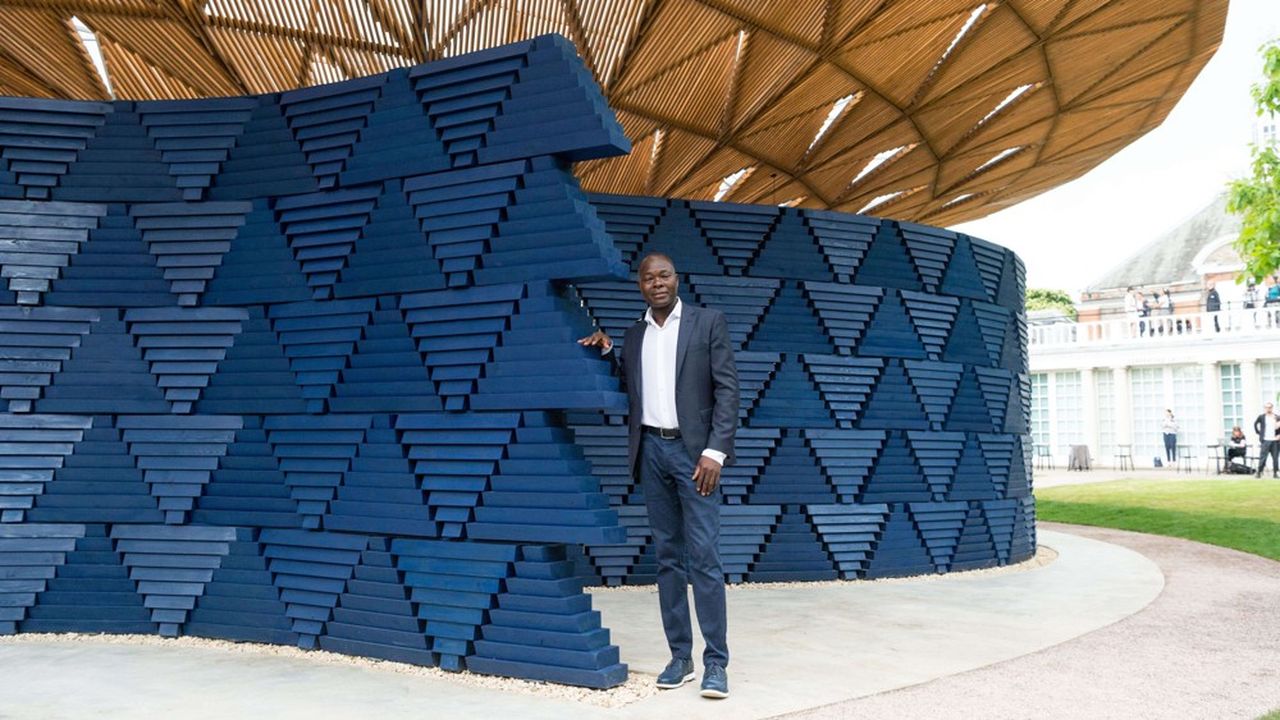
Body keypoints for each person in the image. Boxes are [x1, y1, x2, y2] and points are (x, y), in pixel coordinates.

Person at [577, 252, 738, 699]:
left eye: (664, 274)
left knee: (704, 557)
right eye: (649, 278)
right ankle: (680, 657)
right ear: (641, 286)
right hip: (651, 450)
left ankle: (716, 663)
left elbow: (728, 390)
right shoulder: (634, 334)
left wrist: (715, 452)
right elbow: (630, 381)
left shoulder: (708, 323)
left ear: (676, 277)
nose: (657, 282)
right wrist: (607, 349)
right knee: (668, 558)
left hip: (696, 457)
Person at [1255, 401, 1280, 478]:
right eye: (1266, 407)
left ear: (1272, 408)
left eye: (1270, 407)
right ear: (1264, 408)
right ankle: (1259, 472)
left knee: (1275, 458)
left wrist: (1279, 435)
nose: (1268, 409)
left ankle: (1275, 473)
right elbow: (1255, 424)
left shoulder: (1277, 417)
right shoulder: (1261, 417)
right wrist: (1260, 433)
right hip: (1265, 440)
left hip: (1275, 441)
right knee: (1263, 457)